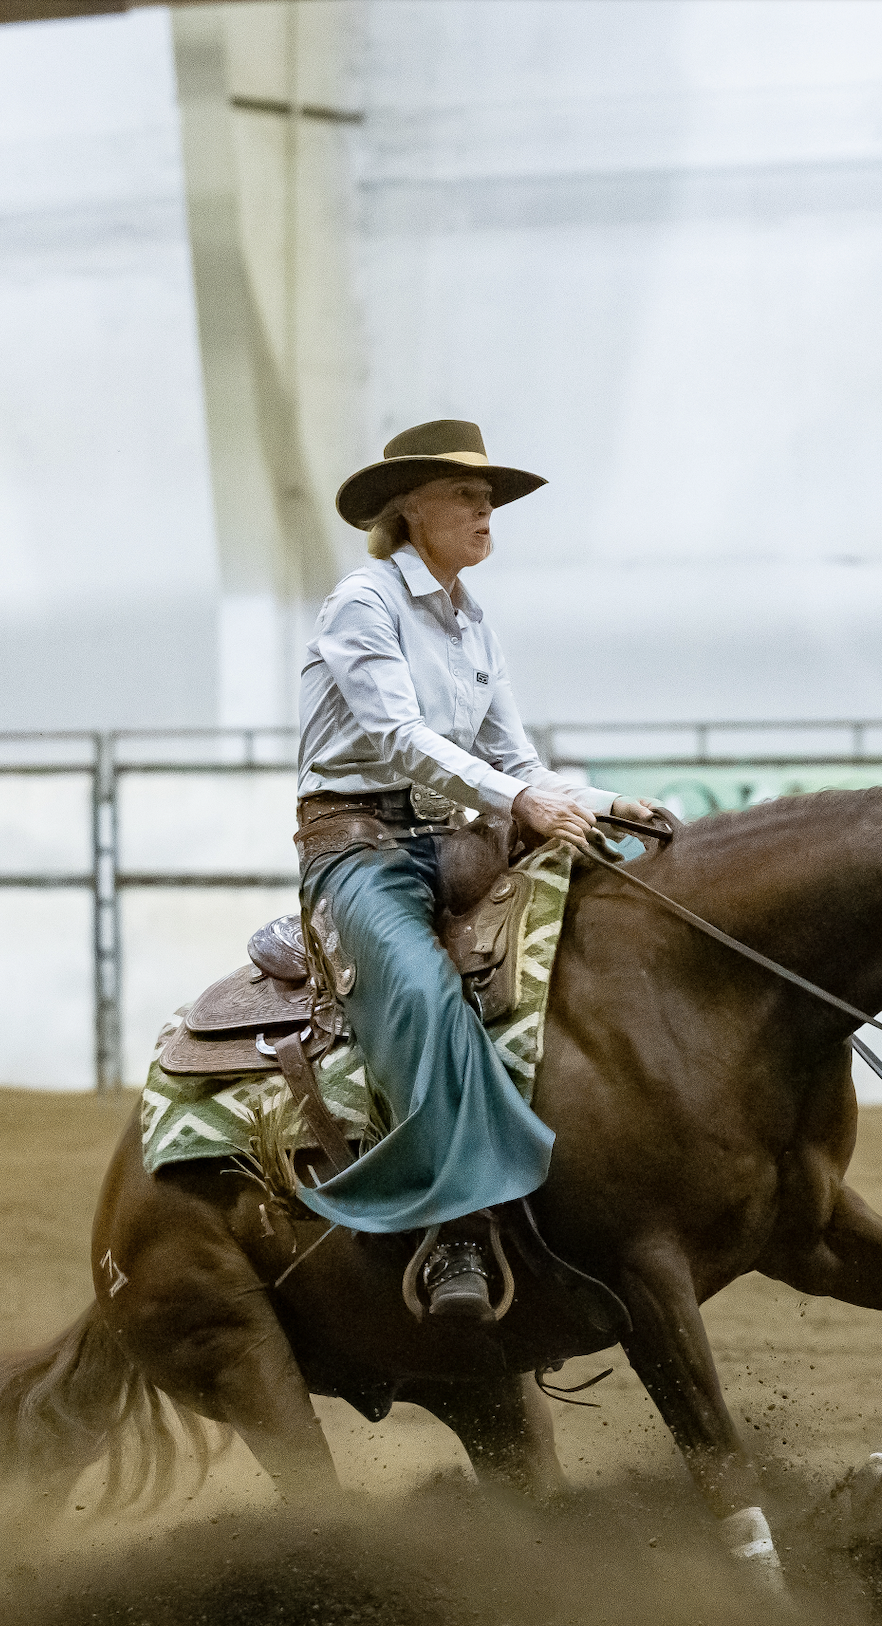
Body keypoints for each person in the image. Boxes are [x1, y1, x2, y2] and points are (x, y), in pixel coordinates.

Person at [294, 420, 658, 1325]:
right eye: (467, 492)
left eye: (489, 495)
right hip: (360, 847)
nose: (486, 506)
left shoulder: (472, 620)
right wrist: (520, 803)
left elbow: (515, 758)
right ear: (409, 508)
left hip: (454, 841)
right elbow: (396, 739)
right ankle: (457, 1225)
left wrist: (610, 802)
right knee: (421, 992)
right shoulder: (364, 602)